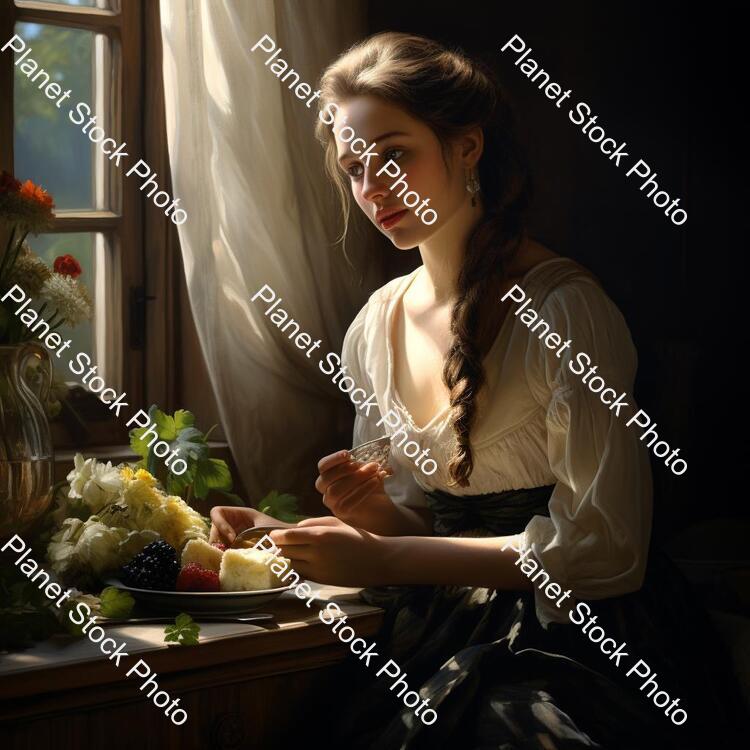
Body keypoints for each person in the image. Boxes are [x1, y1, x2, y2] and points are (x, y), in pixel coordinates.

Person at [210, 32, 741, 750]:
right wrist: (351, 522)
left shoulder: (564, 310)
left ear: (466, 147)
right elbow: (429, 540)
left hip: (583, 640)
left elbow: (609, 548)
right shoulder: (376, 326)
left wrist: (386, 556)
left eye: (395, 153)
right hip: (442, 625)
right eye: (355, 166)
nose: (372, 188)